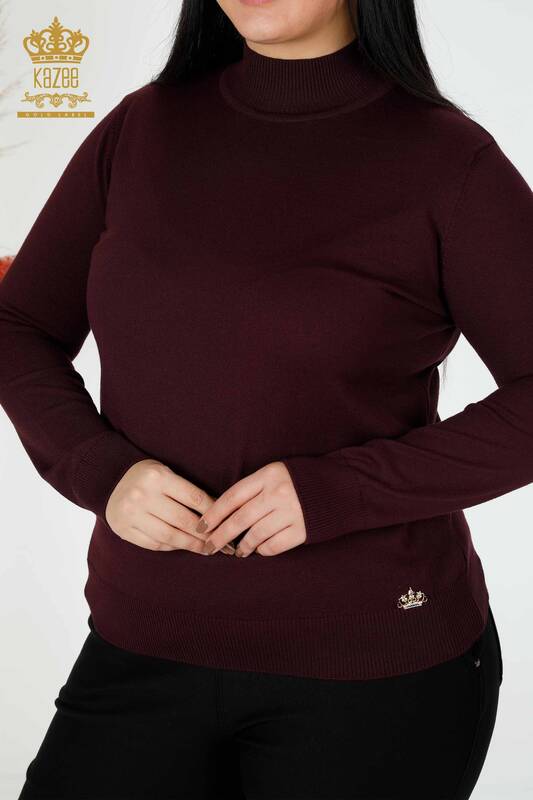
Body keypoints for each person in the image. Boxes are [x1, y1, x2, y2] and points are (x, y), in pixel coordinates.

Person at [1, 0, 528, 797]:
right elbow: (19, 325)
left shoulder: (447, 160)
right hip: (138, 652)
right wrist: (99, 470)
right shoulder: (140, 129)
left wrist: (336, 493)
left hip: (375, 676)